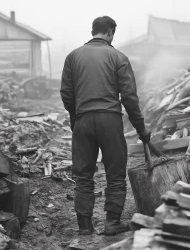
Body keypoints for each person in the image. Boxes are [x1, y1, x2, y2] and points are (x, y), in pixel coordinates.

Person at [60, 16, 150, 236]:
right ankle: (111, 223)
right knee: (115, 173)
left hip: (82, 119)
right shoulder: (118, 57)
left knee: (83, 175)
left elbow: (66, 94)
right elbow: (129, 98)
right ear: (110, 32)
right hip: (109, 120)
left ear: (93, 31)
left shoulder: (72, 57)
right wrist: (141, 129)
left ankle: (84, 226)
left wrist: (76, 119)